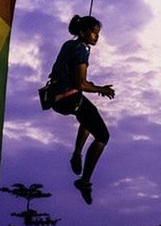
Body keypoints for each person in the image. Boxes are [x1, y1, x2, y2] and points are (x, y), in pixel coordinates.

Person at [49, 14, 115, 204]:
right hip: (68, 98)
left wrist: (91, 85)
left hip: (57, 97)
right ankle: (84, 181)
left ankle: (77, 153)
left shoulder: (68, 45)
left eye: (98, 33)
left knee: (88, 114)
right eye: (93, 32)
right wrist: (101, 89)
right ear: (83, 32)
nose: (97, 36)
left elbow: (72, 77)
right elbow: (81, 84)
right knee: (103, 136)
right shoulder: (81, 50)